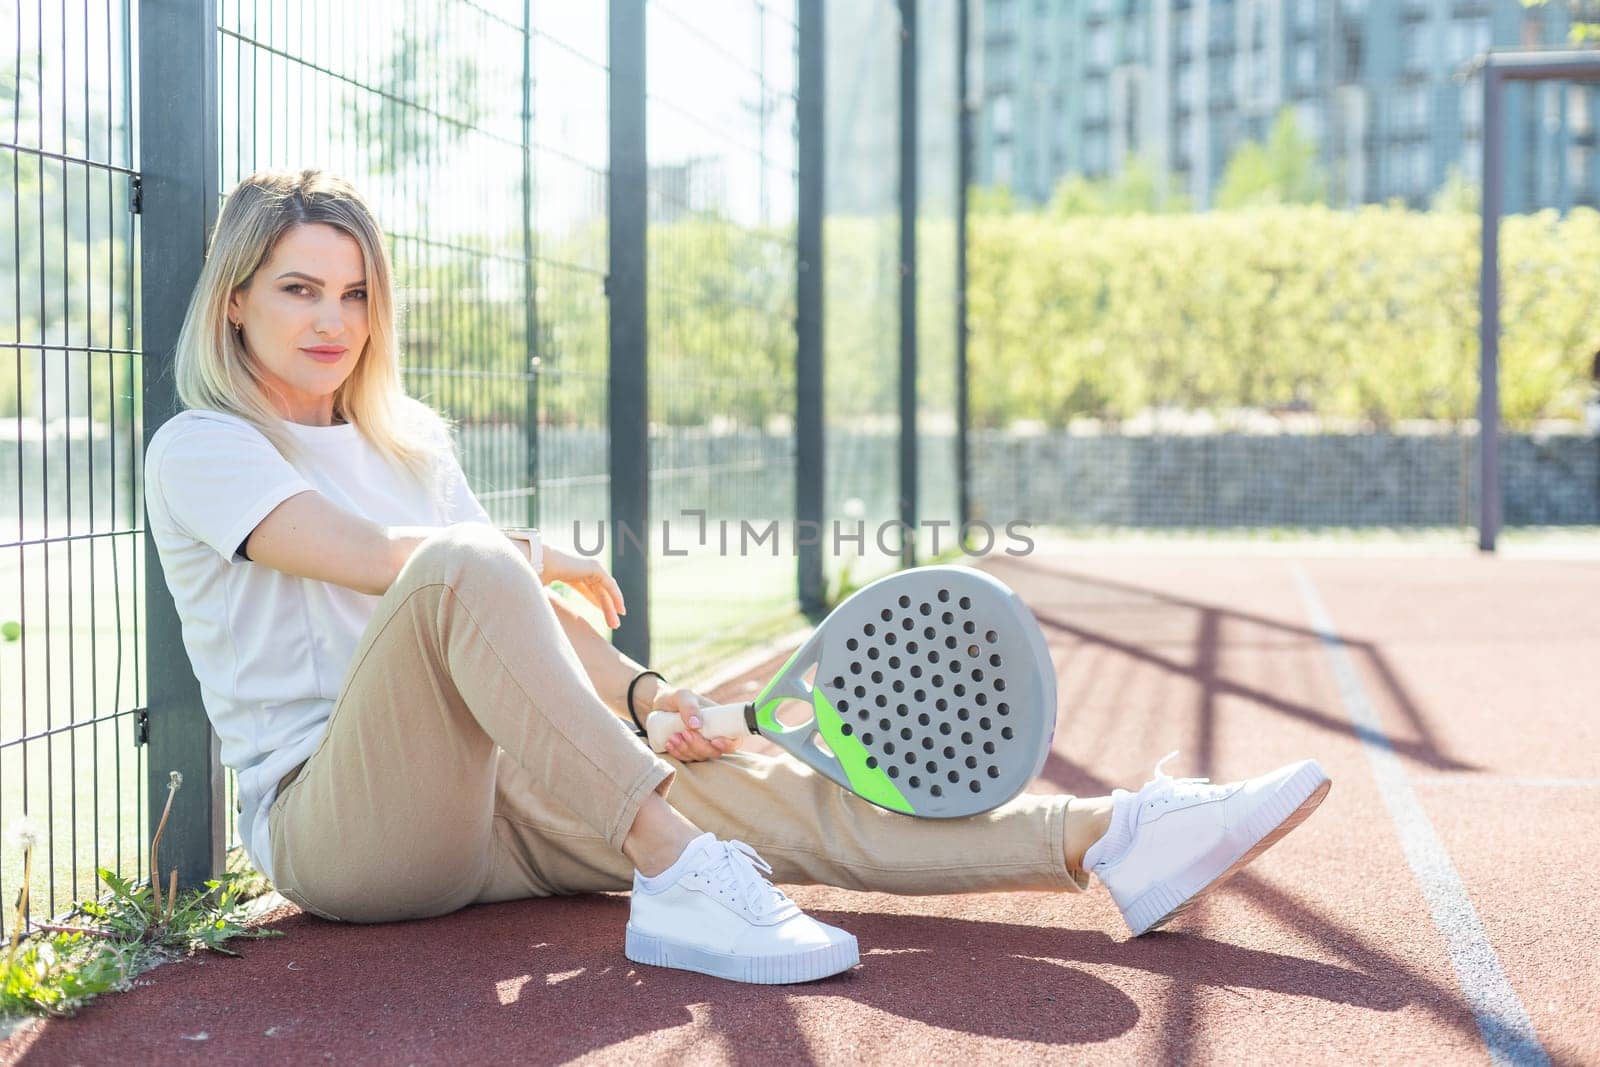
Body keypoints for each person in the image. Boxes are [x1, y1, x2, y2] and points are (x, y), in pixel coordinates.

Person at [144, 169, 1332, 986]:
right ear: (236, 296)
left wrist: (650, 700)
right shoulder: (204, 445)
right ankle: (678, 875)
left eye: (353, 292)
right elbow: (397, 568)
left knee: (765, 797)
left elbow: (510, 622)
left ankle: (1110, 835)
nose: (332, 318)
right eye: (299, 288)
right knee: (473, 569)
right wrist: (549, 552)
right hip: (343, 828)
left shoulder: (413, 442)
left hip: (493, 808)